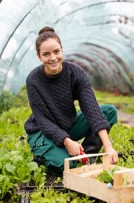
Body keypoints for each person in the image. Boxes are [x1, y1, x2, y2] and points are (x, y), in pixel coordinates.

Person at [24, 26, 118, 176]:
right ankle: (45, 152)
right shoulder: (33, 80)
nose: (53, 58)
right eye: (46, 54)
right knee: (68, 166)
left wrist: (108, 146)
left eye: (56, 51)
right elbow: (43, 120)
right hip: (42, 131)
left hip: (66, 125)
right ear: (39, 56)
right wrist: (67, 142)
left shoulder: (75, 73)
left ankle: (87, 156)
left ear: (62, 49)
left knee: (109, 112)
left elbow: (91, 109)